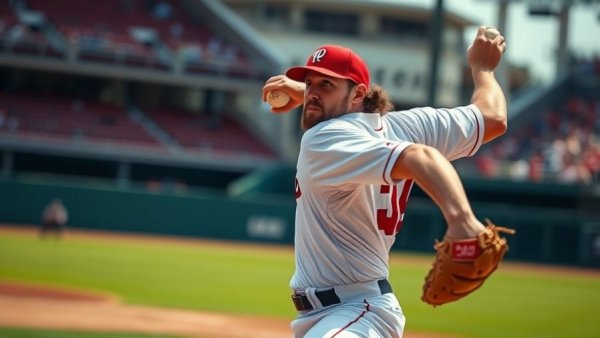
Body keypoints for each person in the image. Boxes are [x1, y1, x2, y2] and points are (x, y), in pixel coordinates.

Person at [261, 26, 507, 338]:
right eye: (309, 83)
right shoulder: (407, 126)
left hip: (353, 312)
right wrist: (482, 69)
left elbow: (420, 156)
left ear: (359, 94)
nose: (312, 92)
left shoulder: (322, 138)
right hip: (351, 312)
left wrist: (462, 220)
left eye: (326, 84)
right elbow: (493, 118)